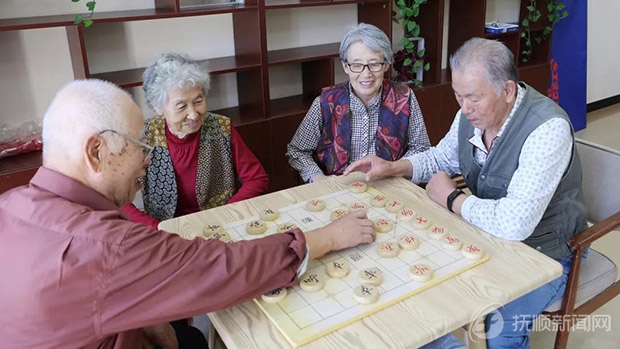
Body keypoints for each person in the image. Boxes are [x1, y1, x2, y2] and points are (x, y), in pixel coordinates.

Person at [0, 79, 376, 348]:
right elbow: (220, 267)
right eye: (138, 146)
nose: (147, 157)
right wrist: (325, 237)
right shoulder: (105, 245)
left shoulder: (10, 204)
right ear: (96, 152)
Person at [345, 37, 588, 348]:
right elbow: (440, 158)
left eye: (473, 98)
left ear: (508, 90)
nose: (465, 108)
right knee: (420, 295)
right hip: (485, 237)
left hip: (546, 255)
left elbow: (515, 223)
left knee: (498, 328)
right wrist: (392, 168)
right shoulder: (471, 113)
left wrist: (452, 199)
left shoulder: (547, 129)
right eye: (458, 96)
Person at [121, 52, 269, 230]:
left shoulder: (221, 128)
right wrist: (157, 228)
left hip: (219, 225)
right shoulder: (144, 137)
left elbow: (257, 178)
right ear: (158, 107)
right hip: (165, 231)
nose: (193, 114)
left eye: (199, 101)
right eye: (181, 106)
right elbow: (119, 197)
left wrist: (225, 214)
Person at [286, 23, 431, 183]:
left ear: (386, 64)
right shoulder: (325, 103)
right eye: (357, 65)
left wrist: (393, 170)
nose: (366, 74)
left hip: (390, 186)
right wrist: (319, 178)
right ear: (345, 67)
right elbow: (297, 151)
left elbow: (421, 149)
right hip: (338, 189)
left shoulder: (404, 98)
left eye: (374, 64)